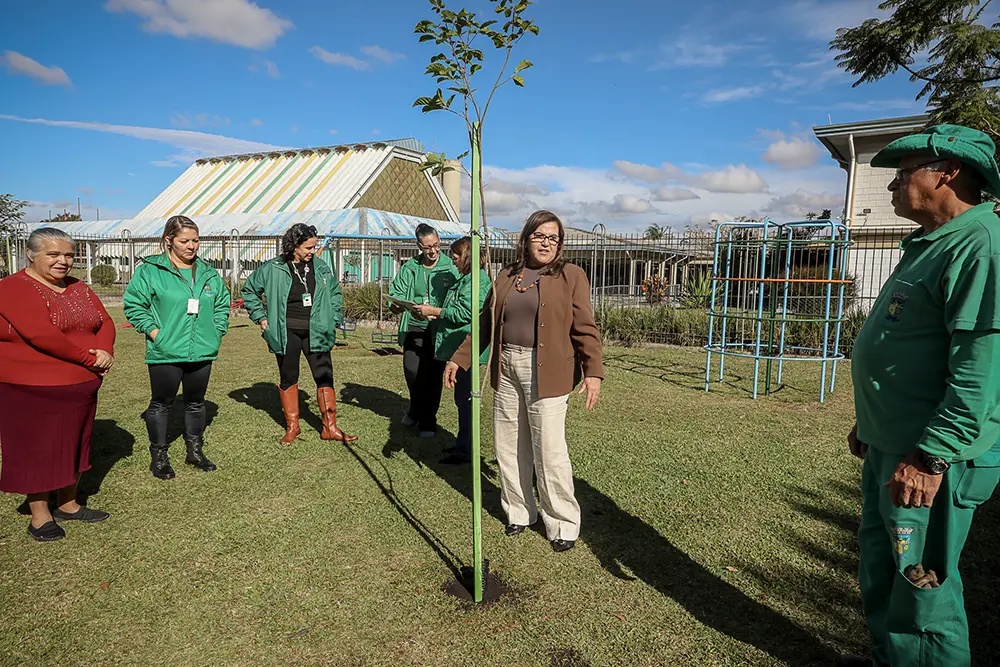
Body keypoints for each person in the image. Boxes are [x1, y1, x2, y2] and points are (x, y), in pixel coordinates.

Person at [842, 124, 1000, 667]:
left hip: (932, 458)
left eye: (904, 174)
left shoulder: (980, 244)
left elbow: (982, 369)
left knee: (922, 588)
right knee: (882, 570)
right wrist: (871, 424)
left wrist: (932, 454)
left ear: (949, 174)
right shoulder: (932, 244)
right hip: (891, 446)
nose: (890, 187)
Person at [446, 210, 604, 553]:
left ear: (560, 243)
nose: (547, 243)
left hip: (547, 369)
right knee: (508, 443)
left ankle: (562, 522)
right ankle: (519, 511)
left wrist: (593, 371)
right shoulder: (507, 275)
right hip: (506, 365)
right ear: (526, 238)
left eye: (553, 237)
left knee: (549, 449)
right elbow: (486, 321)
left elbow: (585, 327)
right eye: (540, 236)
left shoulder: (571, 276)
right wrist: (460, 357)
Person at [0, 228, 116, 541]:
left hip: (80, 387)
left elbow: (104, 320)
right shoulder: (13, 287)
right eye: (53, 254)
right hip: (30, 388)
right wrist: (90, 359)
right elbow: (40, 334)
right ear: (31, 254)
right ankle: (39, 515)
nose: (62, 261)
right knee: (35, 450)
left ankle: (69, 504)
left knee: (76, 445)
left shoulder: (78, 287)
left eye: (68, 255)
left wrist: (105, 350)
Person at [123, 215, 231, 480]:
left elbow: (221, 304)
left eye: (195, 240)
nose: (191, 246)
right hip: (166, 352)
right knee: (161, 404)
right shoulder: (150, 270)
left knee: (195, 403)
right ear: (169, 240)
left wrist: (216, 332)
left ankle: (195, 451)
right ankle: (159, 457)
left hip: (202, 350)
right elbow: (135, 305)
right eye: (185, 241)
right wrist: (156, 333)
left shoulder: (208, 273)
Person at [241, 224, 356, 444]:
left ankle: (329, 427)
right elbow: (249, 290)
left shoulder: (321, 267)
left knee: (324, 376)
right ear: (294, 246)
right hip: (286, 333)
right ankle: (293, 426)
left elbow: (334, 293)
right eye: (308, 247)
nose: (312, 251)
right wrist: (262, 318)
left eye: (314, 247)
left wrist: (333, 319)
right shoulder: (273, 268)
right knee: (288, 377)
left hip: (318, 331)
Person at [414, 236, 490, 464]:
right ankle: (462, 444)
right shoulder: (466, 279)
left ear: (467, 257)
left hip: (468, 349)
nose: (453, 261)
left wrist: (437, 312)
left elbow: (465, 313)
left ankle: (466, 450)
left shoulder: (478, 281)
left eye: (456, 257)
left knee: (467, 400)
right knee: (461, 400)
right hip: (459, 349)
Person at [388, 223, 458, 438]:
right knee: (412, 372)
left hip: (438, 331)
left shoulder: (450, 266)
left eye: (436, 245)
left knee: (432, 376)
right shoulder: (410, 267)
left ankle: (428, 419)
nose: (433, 251)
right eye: (427, 247)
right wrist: (399, 304)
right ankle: (416, 408)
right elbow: (396, 294)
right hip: (414, 328)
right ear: (419, 246)